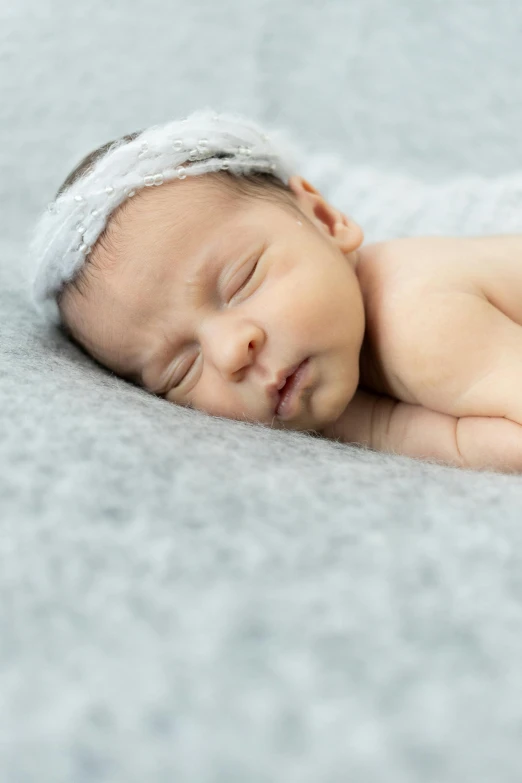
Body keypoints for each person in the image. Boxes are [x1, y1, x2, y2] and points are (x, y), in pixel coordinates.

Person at [27, 109, 522, 473]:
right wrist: (347, 423)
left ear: (327, 220)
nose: (228, 352)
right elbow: (430, 437)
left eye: (241, 281)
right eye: (181, 371)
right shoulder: (348, 365)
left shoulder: (417, 317)